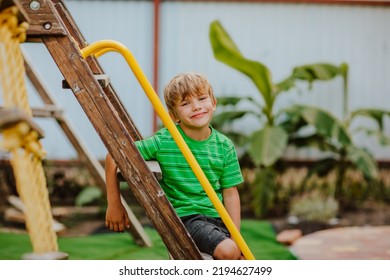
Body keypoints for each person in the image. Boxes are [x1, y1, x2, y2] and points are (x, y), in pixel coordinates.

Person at [105, 72, 244, 260]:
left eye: (202, 98)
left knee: (237, 255)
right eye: (185, 103)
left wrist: (237, 238)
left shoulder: (224, 145)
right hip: (187, 218)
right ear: (173, 115)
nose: (196, 107)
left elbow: (230, 193)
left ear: (214, 103)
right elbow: (114, 154)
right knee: (228, 251)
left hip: (219, 220)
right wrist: (114, 204)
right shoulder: (165, 141)